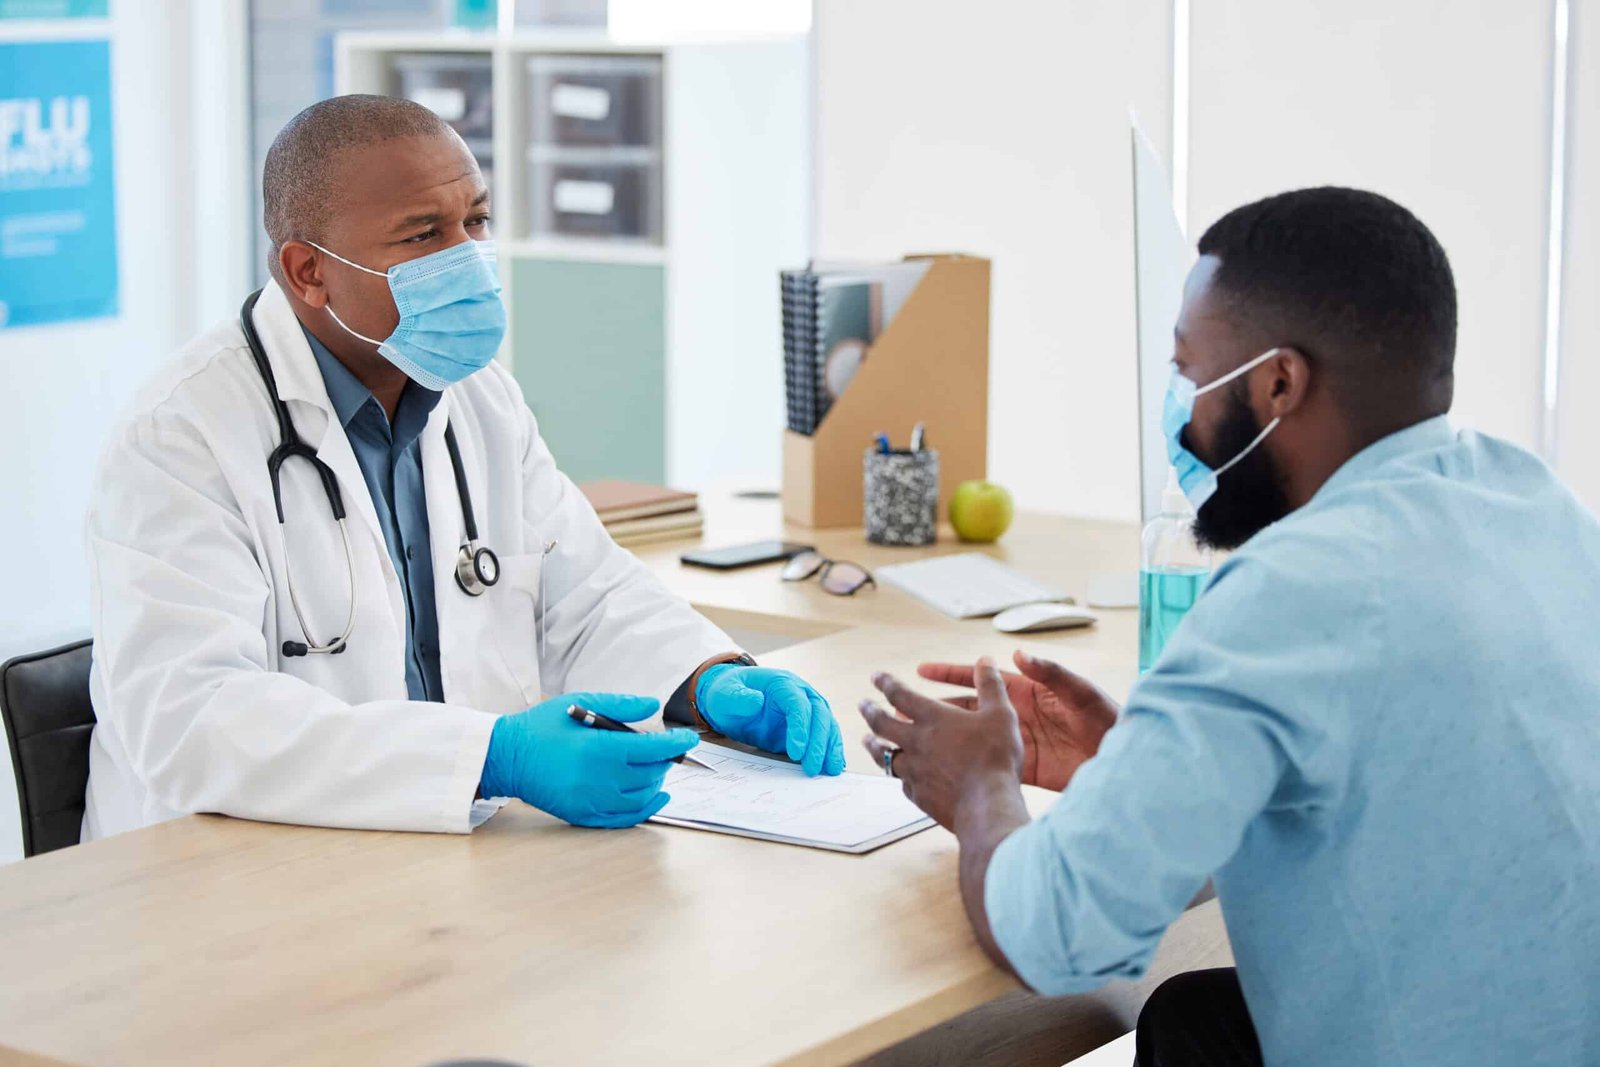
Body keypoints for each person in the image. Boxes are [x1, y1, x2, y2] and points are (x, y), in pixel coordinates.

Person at [858, 187, 1600, 1066]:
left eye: (1187, 372)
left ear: (1278, 381)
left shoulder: (1289, 590)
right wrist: (1131, 761)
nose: (1182, 411)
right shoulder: (1534, 504)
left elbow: (1056, 932)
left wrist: (979, 785)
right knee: (1191, 1017)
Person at [83, 95, 844, 841]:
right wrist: (492, 757)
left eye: (475, 221)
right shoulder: (181, 437)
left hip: (438, 854)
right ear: (308, 272)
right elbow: (192, 720)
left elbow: (583, 591)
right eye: (422, 235)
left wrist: (702, 679)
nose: (469, 259)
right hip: (227, 878)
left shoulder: (478, 395)